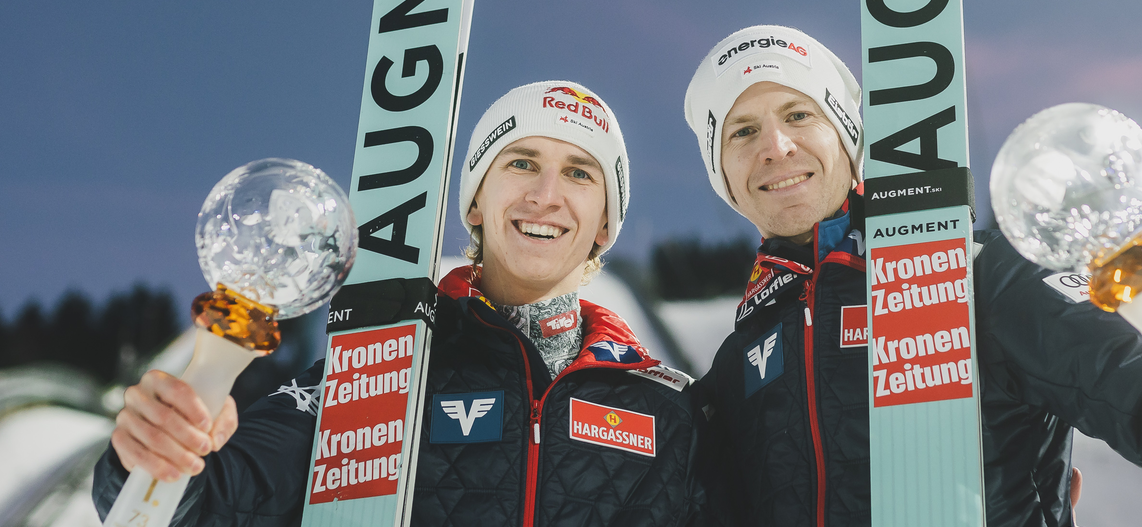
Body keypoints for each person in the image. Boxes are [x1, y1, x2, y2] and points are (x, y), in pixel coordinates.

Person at [682, 25, 1142, 527]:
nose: (776, 147)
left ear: (847, 138)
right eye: (743, 131)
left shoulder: (972, 275)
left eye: (798, 115)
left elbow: (1140, 403)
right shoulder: (735, 366)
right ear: (726, 178)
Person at [95, 81, 705, 526]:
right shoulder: (386, 360)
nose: (546, 195)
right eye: (521, 163)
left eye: (579, 173)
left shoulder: (667, 408)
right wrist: (158, 448)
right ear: (474, 204)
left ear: (604, 224)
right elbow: (212, 507)